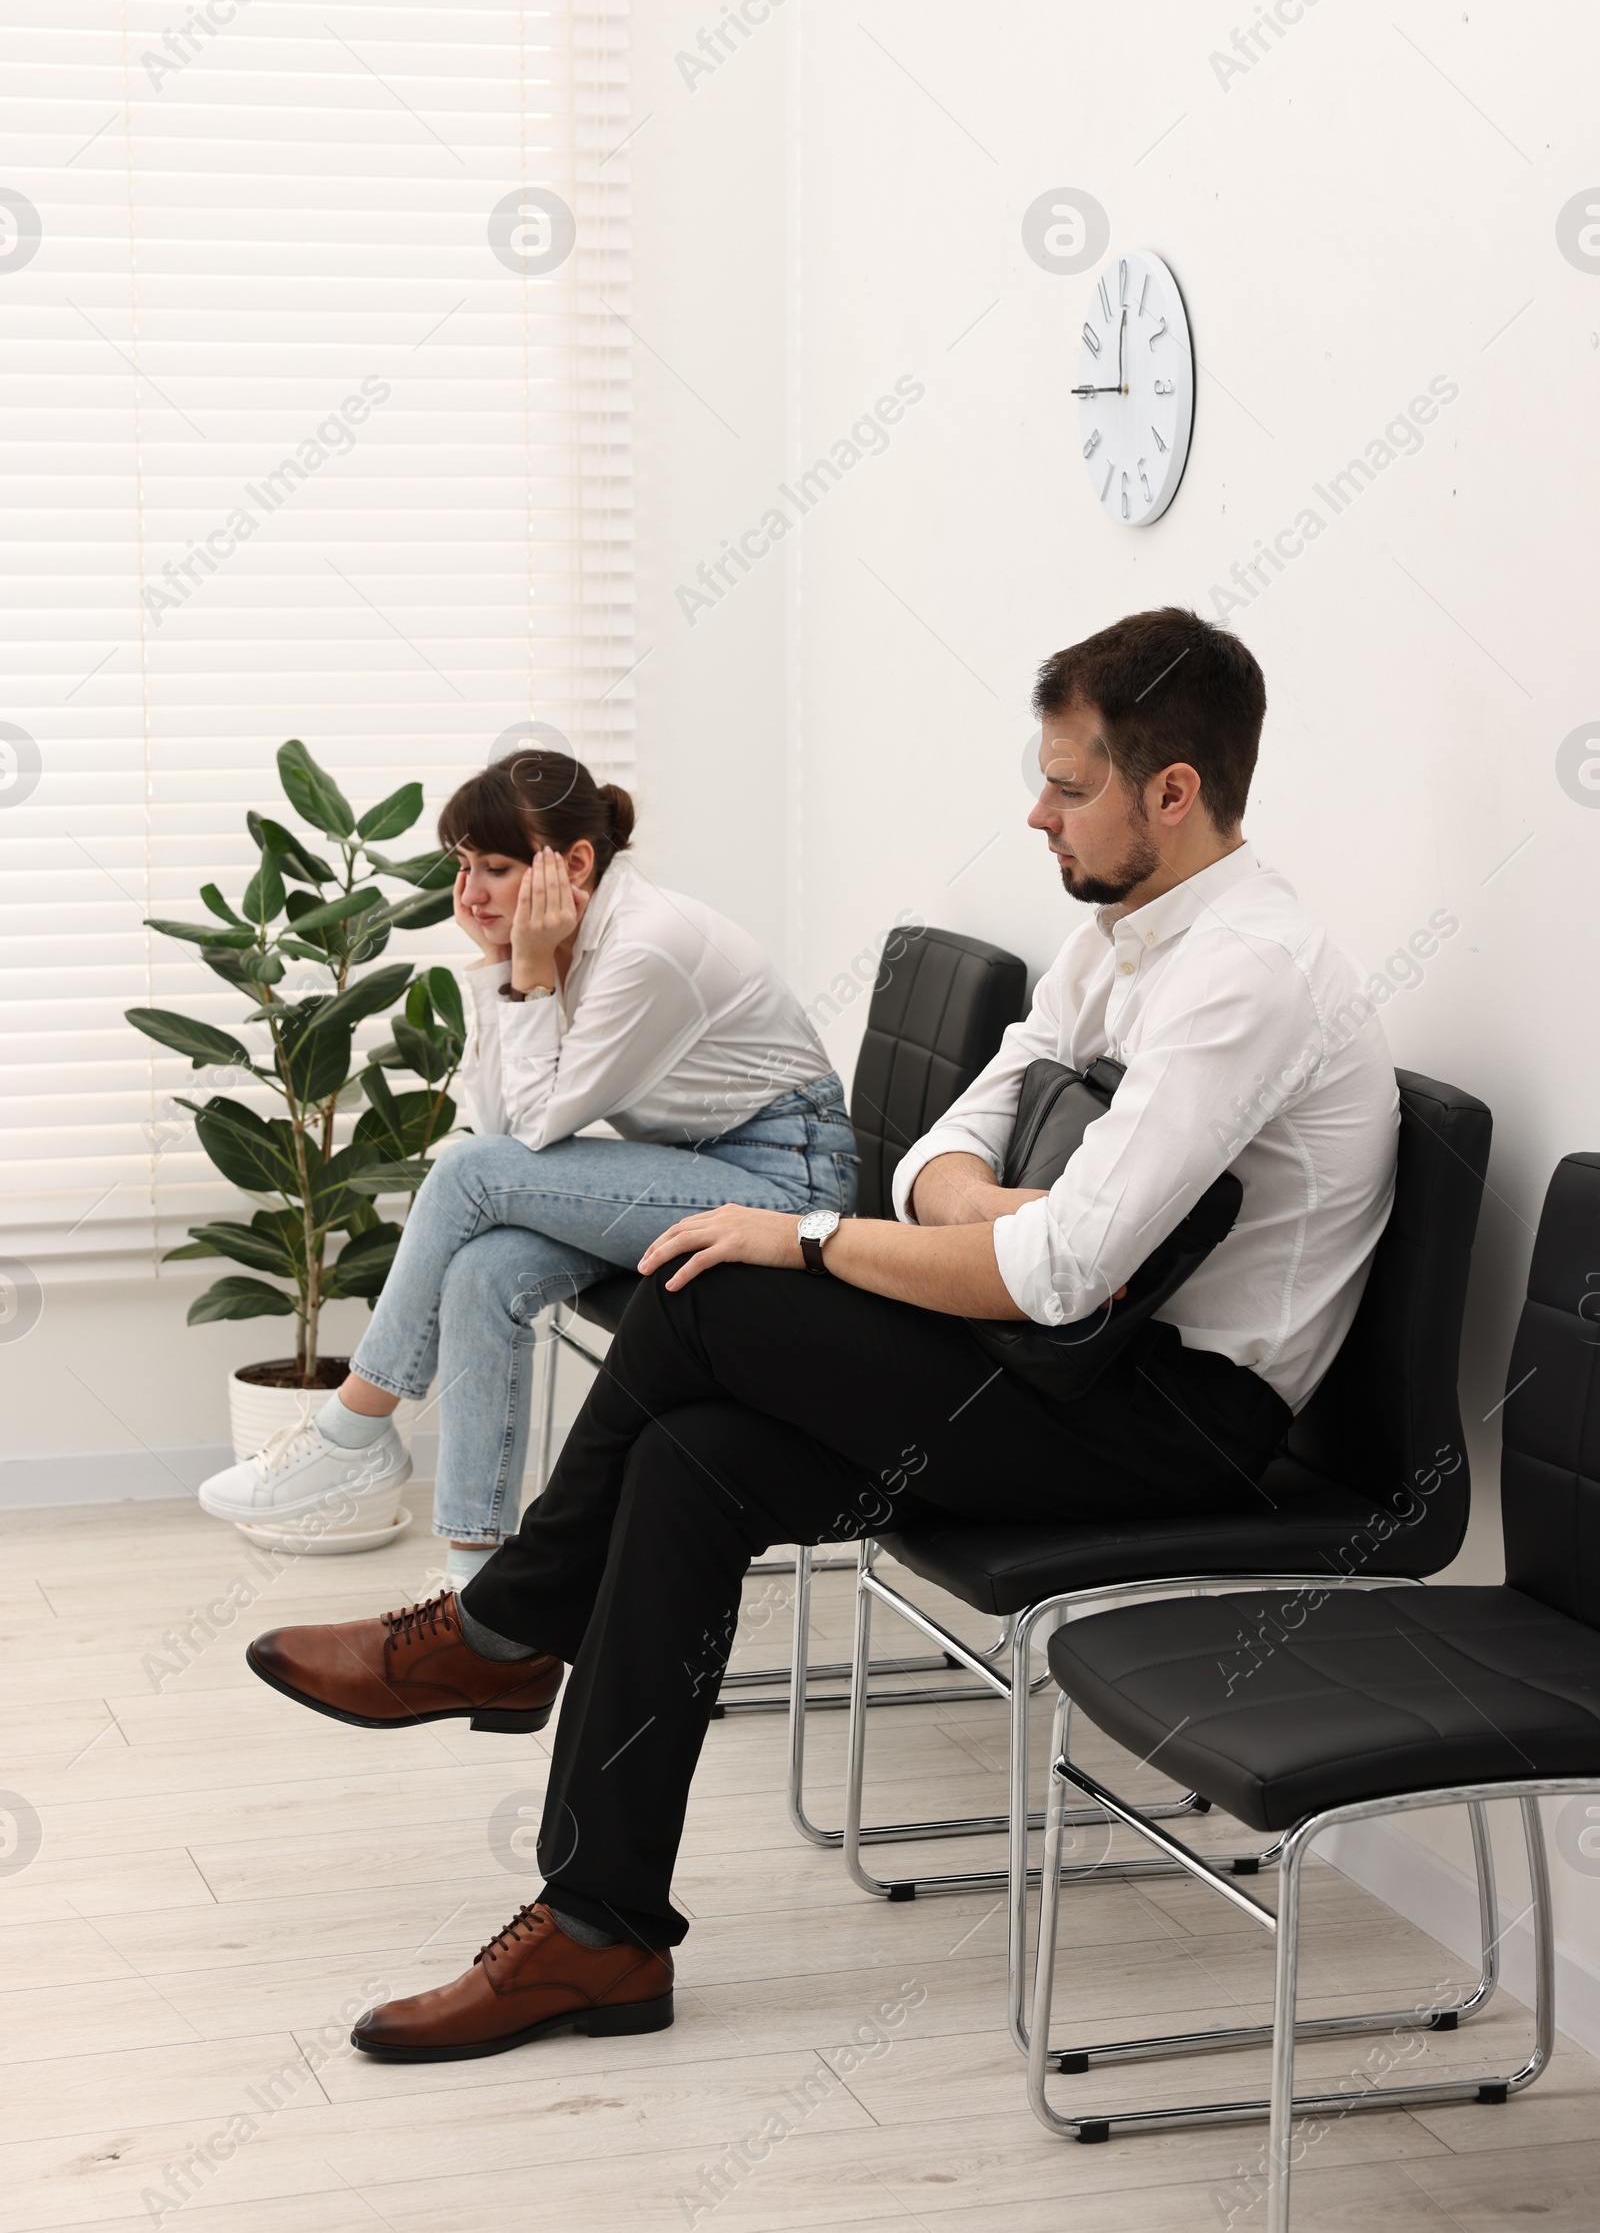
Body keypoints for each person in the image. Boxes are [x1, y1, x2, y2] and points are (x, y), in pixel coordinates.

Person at [245, 608, 1399, 2060]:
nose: (1034, 809)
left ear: (1174, 792)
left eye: (1068, 784)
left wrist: (815, 1233)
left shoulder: (1247, 974)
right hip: (1059, 1371)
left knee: (711, 1278)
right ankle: (597, 1930)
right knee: (692, 1464)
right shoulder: (1120, 936)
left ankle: (508, 1625)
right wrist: (984, 1204)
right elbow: (939, 1150)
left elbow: (1054, 1271)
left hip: (1172, 1427)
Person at [199, 749, 857, 1584]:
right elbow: (503, 1124)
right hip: (693, 1166)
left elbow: (525, 1137)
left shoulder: (644, 947)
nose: (469, 893)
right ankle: (473, 1590)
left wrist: (530, 970)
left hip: (787, 1184)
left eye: (496, 867)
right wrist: (507, 966)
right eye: (463, 866)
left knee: (471, 1174)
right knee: (482, 1267)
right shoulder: (564, 937)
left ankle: (352, 1431)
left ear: (575, 862)